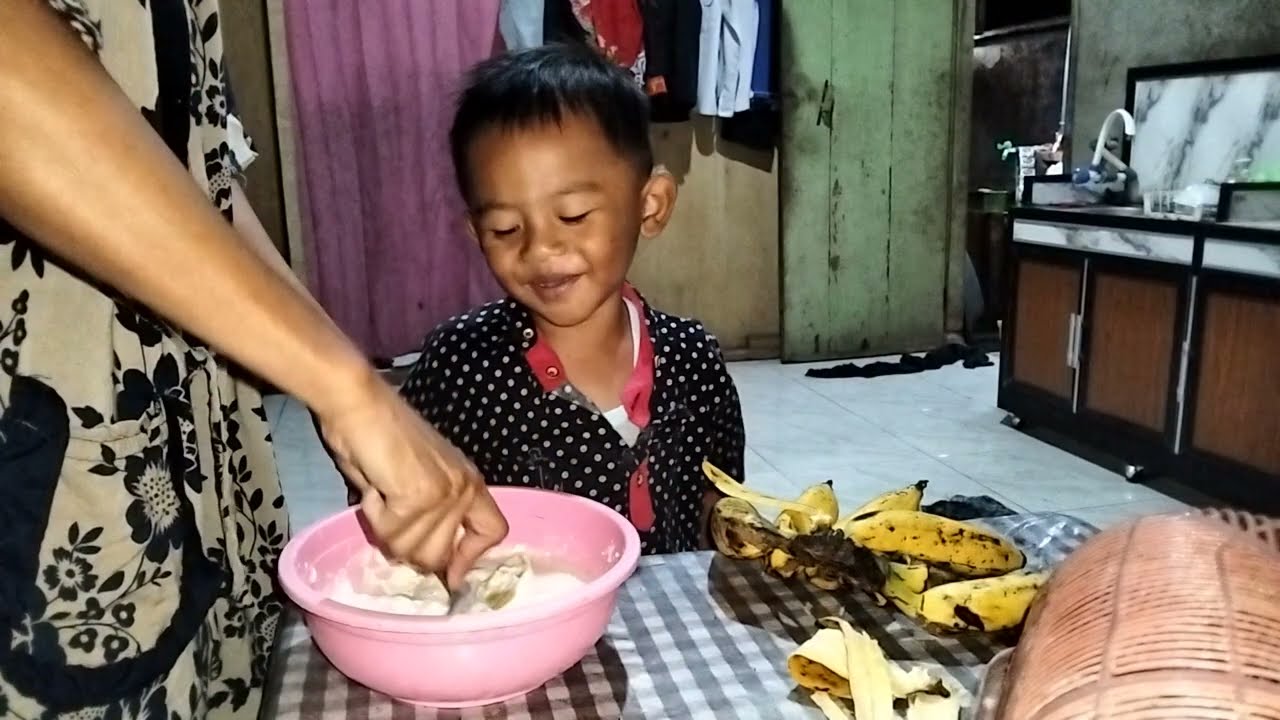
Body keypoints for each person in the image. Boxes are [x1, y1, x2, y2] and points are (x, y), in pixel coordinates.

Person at [0, 1, 506, 717]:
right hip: (52, 460)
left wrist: (331, 372)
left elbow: (196, 179)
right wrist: (345, 386)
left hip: (198, 451)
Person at [399, 44, 747, 555]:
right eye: (505, 228)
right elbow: (398, 499)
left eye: (575, 215)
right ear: (476, 232)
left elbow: (721, 505)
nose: (540, 249)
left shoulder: (693, 358)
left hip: (669, 625)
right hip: (523, 627)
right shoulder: (457, 368)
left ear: (649, 206)